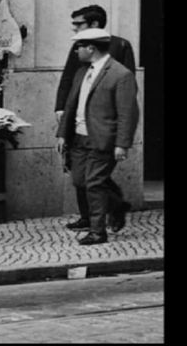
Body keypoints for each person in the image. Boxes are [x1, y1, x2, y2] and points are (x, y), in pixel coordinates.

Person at [55, 28, 139, 245]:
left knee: (93, 183)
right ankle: (117, 205)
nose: (76, 51)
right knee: (79, 180)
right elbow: (71, 105)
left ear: (91, 48)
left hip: (102, 139)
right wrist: (63, 135)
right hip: (79, 138)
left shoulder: (120, 75)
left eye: (79, 47)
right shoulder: (82, 72)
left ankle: (97, 231)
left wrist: (122, 144)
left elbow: (128, 113)